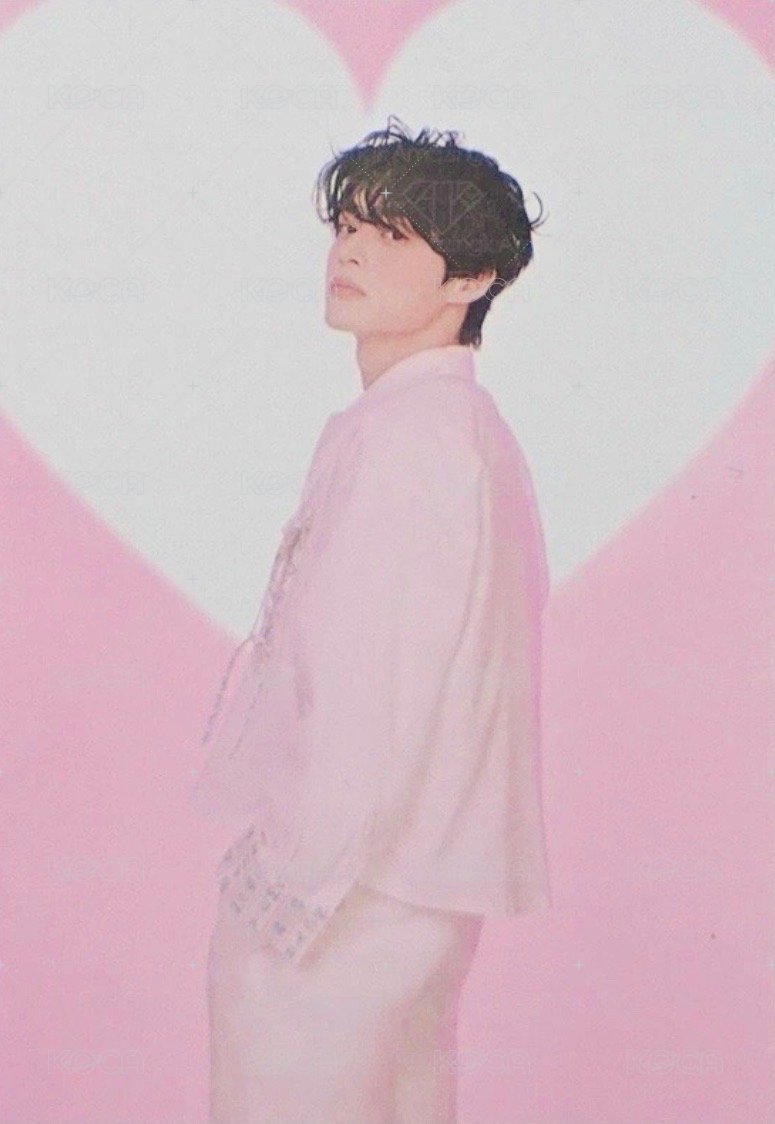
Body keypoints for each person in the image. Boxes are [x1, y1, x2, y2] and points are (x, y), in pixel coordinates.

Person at [190, 115, 552, 1123]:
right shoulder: (450, 428)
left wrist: (289, 885)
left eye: (391, 236)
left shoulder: (411, 441)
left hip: (352, 897)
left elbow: (373, 691)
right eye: (347, 227)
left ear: (469, 278)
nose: (350, 252)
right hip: (409, 891)